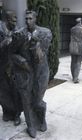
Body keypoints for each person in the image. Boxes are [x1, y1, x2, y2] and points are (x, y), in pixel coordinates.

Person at [10, 10, 52, 138]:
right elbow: (11, 53)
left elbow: (40, 57)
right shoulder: (18, 34)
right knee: (26, 101)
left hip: (40, 73)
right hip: (24, 73)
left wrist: (35, 44)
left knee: (38, 101)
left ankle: (41, 119)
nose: (28, 21)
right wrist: (22, 62)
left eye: (30, 19)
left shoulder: (45, 33)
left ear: (35, 19)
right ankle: (31, 126)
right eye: (26, 19)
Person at [0, 10, 21, 126]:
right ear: (7, 20)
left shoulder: (17, 31)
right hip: (1, 65)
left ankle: (17, 114)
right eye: (14, 20)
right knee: (2, 91)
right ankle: (6, 112)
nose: (16, 22)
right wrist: (5, 42)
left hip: (13, 67)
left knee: (15, 91)